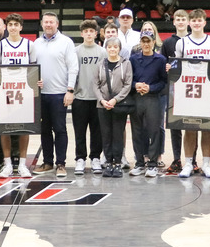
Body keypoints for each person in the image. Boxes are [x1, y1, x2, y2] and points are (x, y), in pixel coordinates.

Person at [174, 9, 210, 178]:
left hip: (208, 91)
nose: (196, 23)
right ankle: (188, 163)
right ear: (189, 23)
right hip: (188, 91)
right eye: (193, 20)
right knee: (189, 127)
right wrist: (170, 69)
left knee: (207, 129)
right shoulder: (182, 43)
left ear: (204, 22)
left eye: (199, 20)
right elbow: (176, 67)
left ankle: (207, 164)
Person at [31, 12, 79, 178]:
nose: (49, 25)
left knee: (60, 129)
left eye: (51, 22)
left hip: (59, 94)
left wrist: (70, 90)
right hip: (41, 94)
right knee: (44, 130)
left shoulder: (66, 42)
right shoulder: (36, 44)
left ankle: (61, 164)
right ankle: (48, 162)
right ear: (42, 24)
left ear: (57, 24)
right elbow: (31, 68)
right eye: (46, 22)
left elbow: (73, 67)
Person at [0, 13, 36, 178]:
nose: (13, 27)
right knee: (4, 127)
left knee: (23, 128)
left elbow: (34, 69)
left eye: (15, 24)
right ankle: (7, 165)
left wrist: (35, 86)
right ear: (6, 26)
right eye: (10, 24)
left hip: (23, 91)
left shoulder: (29, 45)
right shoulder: (0, 46)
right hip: (5, 90)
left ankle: (22, 165)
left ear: (21, 27)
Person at [128, 31, 167, 178]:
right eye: (143, 41)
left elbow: (163, 81)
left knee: (154, 132)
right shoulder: (133, 59)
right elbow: (127, 79)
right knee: (137, 132)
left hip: (153, 98)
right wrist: (136, 85)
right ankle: (139, 163)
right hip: (137, 98)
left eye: (148, 41)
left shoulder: (160, 59)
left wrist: (150, 88)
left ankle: (152, 164)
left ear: (153, 42)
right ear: (140, 42)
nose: (146, 44)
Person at [96, 38, 133, 177]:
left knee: (117, 134)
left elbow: (127, 85)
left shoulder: (126, 63)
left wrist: (115, 100)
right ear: (106, 48)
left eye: (115, 47)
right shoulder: (100, 64)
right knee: (106, 134)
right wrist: (102, 100)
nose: (112, 49)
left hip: (119, 104)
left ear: (119, 48)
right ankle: (108, 163)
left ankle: (118, 163)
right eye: (109, 47)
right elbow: (96, 84)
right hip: (102, 105)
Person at [72, 20, 104, 175]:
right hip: (80, 97)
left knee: (96, 131)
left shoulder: (102, 52)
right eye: (86, 31)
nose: (89, 34)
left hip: (97, 99)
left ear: (96, 33)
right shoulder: (76, 51)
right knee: (79, 131)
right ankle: (80, 159)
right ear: (82, 34)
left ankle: (96, 158)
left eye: (92, 31)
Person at [161, 9, 190, 174]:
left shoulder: (194, 40)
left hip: (192, 89)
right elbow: (163, 65)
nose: (180, 21)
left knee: (193, 126)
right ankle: (177, 158)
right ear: (174, 22)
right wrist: (166, 69)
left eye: (183, 19)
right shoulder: (167, 43)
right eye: (177, 19)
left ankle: (191, 160)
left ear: (188, 22)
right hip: (174, 90)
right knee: (175, 126)